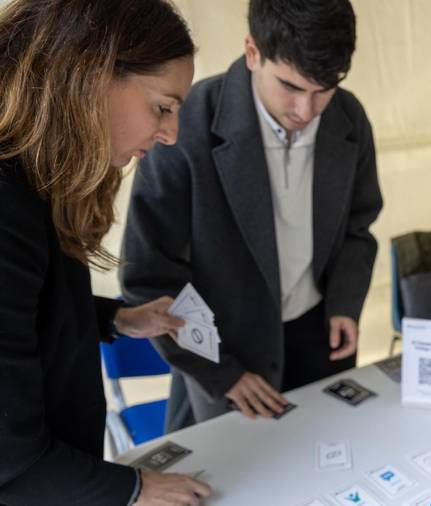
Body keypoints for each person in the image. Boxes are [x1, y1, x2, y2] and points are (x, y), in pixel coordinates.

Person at [120, 0, 383, 425]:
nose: (306, 111)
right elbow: (149, 274)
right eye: (290, 86)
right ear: (252, 51)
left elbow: (359, 226)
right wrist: (222, 373)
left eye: (324, 89)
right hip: (224, 355)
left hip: (319, 341)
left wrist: (344, 302)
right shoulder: (185, 124)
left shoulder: (348, 116)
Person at [0, 1, 212, 505]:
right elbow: (9, 457)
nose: (171, 135)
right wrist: (133, 488)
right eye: (163, 107)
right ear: (91, 75)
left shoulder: (33, 179)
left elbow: (26, 312)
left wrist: (115, 318)